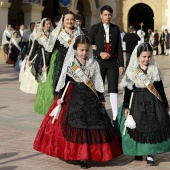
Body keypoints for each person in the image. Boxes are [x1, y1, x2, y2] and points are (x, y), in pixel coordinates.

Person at [33, 34, 122, 169]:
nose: (84, 53)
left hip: (91, 98)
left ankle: (86, 156)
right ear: (75, 49)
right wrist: (59, 97)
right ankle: (79, 154)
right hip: (73, 96)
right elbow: (64, 81)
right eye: (81, 50)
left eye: (86, 50)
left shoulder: (94, 64)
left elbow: (98, 83)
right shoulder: (70, 63)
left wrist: (102, 98)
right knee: (75, 123)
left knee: (92, 125)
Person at [116, 42, 170, 165]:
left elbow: (159, 89)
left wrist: (166, 105)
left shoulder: (154, 69)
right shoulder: (132, 70)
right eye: (144, 57)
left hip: (152, 102)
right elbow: (128, 90)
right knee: (138, 126)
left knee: (151, 126)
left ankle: (150, 154)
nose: (146, 59)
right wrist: (126, 106)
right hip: (137, 102)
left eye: (149, 57)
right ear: (138, 56)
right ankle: (138, 151)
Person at [34, 11, 81, 115]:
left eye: (71, 19)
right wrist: (45, 64)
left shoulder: (79, 33)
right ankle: (59, 112)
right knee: (59, 87)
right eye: (67, 19)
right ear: (63, 21)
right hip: (60, 64)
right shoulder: (57, 32)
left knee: (74, 88)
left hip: (75, 64)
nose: (70, 21)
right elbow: (49, 50)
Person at [89, 5, 124, 121]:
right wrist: (100, 53)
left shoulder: (115, 28)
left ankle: (115, 115)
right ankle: (98, 113)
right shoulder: (95, 28)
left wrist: (121, 65)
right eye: (105, 14)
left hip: (113, 63)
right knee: (99, 87)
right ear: (101, 15)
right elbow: (89, 47)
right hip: (99, 62)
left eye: (109, 15)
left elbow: (119, 47)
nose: (108, 17)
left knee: (113, 88)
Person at [20, 22, 40, 94]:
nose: (38, 27)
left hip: (39, 55)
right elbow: (30, 46)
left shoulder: (42, 35)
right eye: (37, 26)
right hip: (33, 54)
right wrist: (28, 55)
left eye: (39, 26)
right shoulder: (33, 35)